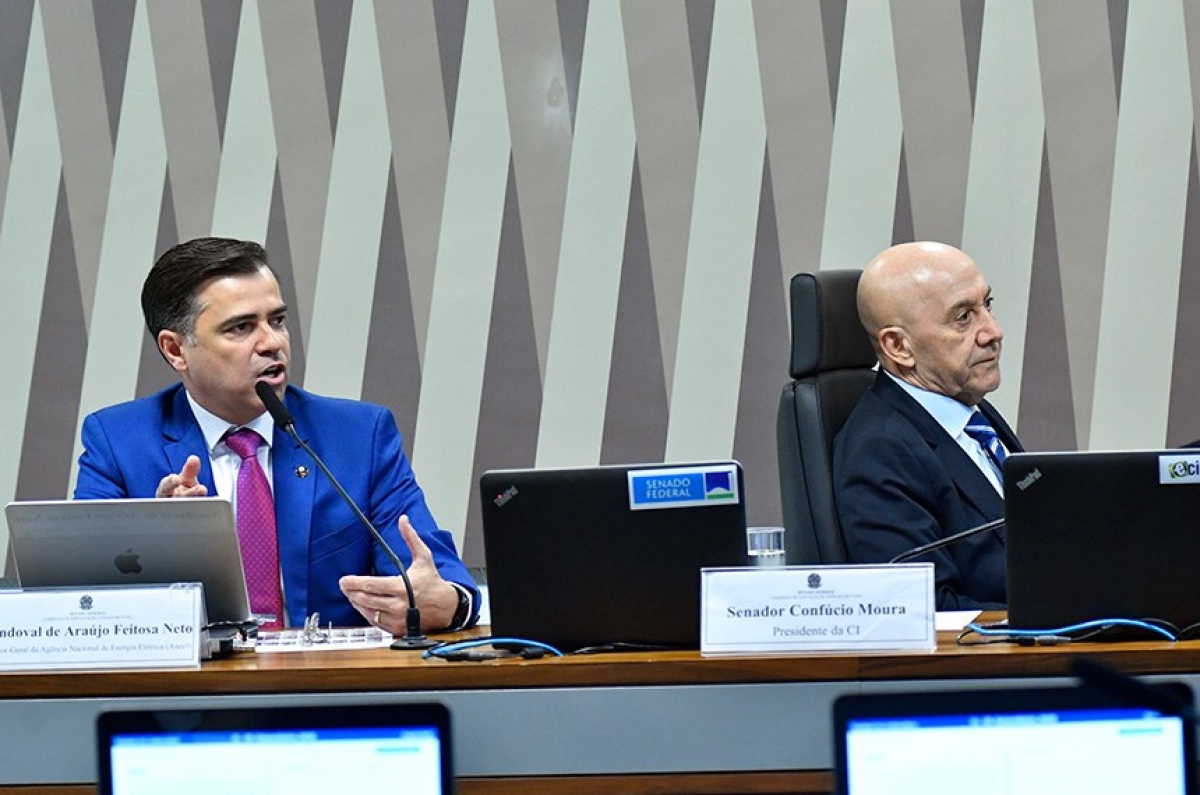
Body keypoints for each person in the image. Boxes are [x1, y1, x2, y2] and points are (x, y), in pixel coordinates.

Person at [74, 237, 478, 633]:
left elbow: (439, 580)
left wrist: (449, 604)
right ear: (176, 349)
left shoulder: (358, 436)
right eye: (241, 327)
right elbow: (78, 602)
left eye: (277, 320)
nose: (273, 343)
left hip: (331, 692)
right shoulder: (117, 442)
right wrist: (157, 540)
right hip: (190, 695)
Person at [833, 241, 1022, 610]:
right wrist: (1061, 615)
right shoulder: (880, 450)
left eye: (987, 304)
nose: (993, 332)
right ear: (899, 346)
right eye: (963, 318)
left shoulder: (970, 412)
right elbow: (924, 609)